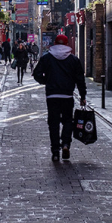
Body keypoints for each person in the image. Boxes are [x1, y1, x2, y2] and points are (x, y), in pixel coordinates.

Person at [32, 34, 87, 162]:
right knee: (68, 121)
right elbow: (80, 79)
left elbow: (37, 74)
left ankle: (55, 151)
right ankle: (66, 144)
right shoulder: (73, 60)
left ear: (55, 44)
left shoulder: (47, 58)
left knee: (53, 123)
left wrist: (47, 81)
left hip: (52, 96)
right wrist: (83, 95)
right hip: (67, 95)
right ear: (67, 44)